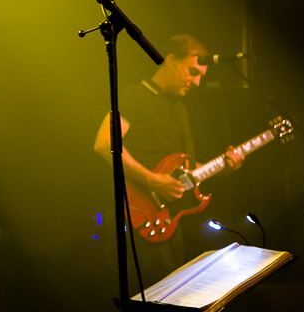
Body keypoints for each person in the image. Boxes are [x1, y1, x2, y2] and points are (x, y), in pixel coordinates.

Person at [94, 35, 244, 285]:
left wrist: (223, 166)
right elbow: (105, 143)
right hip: (136, 217)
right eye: (193, 72)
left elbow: (186, 172)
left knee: (173, 294)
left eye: (201, 76)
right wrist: (152, 181)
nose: (197, 82)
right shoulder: (134, 96)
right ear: (172, 60)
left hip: (168, 220)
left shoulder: (179, 107)